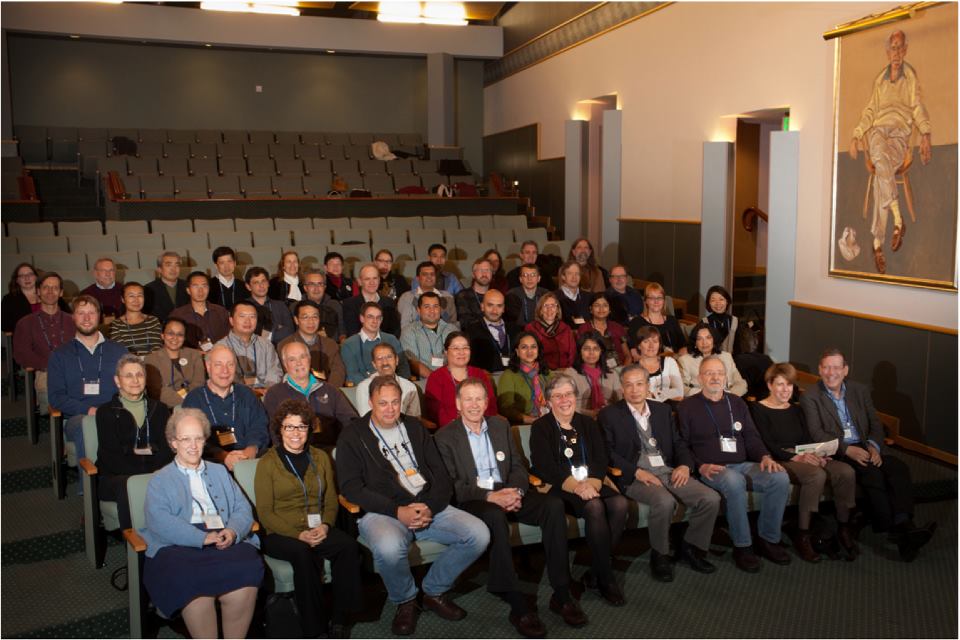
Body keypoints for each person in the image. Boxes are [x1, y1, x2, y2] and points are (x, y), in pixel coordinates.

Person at [336, 376, 490, 635]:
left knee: (478, 534)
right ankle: (405, 600)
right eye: (382, 403)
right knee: (388, 547)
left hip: (427, 504)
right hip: (383, 511)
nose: (389, 409)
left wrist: (429, 506)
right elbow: (351, 487)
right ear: (370, 402)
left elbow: (441, 475)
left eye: (395, 402)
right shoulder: (352, 435)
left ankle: (433, 590)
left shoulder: (415, 427)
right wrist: (398, 511)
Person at [435, 378, 587, 636]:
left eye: (479, 399)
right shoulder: (444, 437)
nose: (474, 405)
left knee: (552, 504)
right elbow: (454, 486)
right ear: (458, 404)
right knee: (494, 516)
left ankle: (561, 592)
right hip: (477, 500)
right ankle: (514, 598)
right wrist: (491, 497)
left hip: (509, 490)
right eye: (468, 399)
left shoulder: (499, 425)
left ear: (486, 402)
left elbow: (517, 465)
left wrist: (516, 491)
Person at [800, 348, 935, 561]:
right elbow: (817, 433)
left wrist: (873, 446)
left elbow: (875, 423)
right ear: (819, 369)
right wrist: (847, 449)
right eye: (826, 367)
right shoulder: (811, 396)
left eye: (836, 367)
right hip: (839, 453)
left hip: (867, 446)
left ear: (845, 370)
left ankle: (903, 526)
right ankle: (899, 531)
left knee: (898, 468)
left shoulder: (859, 390)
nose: (831, 372)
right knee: (872, 474)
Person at [140, 407, 262, 638]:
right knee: (189, 580)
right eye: (185, 439)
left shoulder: (219, 472)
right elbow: (159, 521)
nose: (193, 445)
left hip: (222, 537)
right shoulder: (160, 479)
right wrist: (202, 537)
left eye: (198, 438)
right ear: (173, 442)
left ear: (205, 440)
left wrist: (233, 531)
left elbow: (242, 508)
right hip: (179, 546)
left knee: (247, 564)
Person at [600, 365, 720, 581]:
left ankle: (690, 548)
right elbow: (606, 453)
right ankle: (660, 555)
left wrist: (685, 465)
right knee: (664, 502)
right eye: (628, 385)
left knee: (710, 498)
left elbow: (678, 442)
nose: (634, 390)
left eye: (639, 384)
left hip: (667, 471)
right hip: (635, 476)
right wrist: (636, 472)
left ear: (648, 386)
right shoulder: (610, 414)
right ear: (622, 388)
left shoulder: (662, 410)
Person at [254, 399, 363, 638]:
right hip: (281, 532)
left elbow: (331, 500)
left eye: (301, 427)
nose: (296, 433)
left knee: (347, 547)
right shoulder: (267, 463)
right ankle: (314, 628)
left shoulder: (321, 458)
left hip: (317, 526)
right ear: (279, 429)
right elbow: (265, 512)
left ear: (308, 430)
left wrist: (325, 525)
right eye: (289, 427)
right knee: (303, 554)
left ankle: (340, 618)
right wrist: (298, 534)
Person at [677, 356, 791, 572]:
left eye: (719, 373)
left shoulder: (737, 403)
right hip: (711, 468)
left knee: (779, 477)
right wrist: (700, 466)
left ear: (726, 377)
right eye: (709, 373)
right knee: (734, 481)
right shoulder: (688, 406)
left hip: (742, 464)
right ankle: (743, 545)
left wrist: (765, 457)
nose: (715, 377)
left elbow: (751, 437)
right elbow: (682, 444)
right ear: (700, 377)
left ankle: (768, 539)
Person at [529, 374, 627, 606]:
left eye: (569, 394)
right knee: (594, 506)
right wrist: (578, 487)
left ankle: (596, 570)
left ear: (576, 397)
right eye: (558, 395)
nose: (565, 400)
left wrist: (591, 484)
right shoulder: (541, 427)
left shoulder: (588, 424)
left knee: (620, 504)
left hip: (590, 482)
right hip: (558, 486)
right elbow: (545, 467)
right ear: (549, 401)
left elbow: (600, 459)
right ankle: (605, 578)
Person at [750, 362, 858, 562]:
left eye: (789, 385)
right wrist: (795, 457)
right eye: (780, 384)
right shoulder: (758, 409)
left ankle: (844, 527)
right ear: (770, 385)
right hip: (781, 458)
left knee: (845, 471)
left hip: (804, 454)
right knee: (815, 474)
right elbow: (766, 443)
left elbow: (807, 438)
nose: (785, 390)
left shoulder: (796, 410)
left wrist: (818, 453)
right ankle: (803, 533)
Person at [849, 29, 932, 274]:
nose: (896, 52)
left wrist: (925, 133)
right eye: (892, 48)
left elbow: (917, 107)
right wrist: (856, 134)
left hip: (898, 134)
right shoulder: (880, 80)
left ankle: (877, 242)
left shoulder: (910, 76)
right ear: (888, 52)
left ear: (905, 50)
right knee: (881, 163)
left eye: (900, 47)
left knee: (881, 174)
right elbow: (870, 111)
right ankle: (898, 219)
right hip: (877, 133)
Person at [48, 295, 128, 463]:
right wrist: (90, 411)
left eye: (91, 313)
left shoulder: (119, 351)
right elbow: (56, 398)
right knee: (89, 426)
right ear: (73, 317)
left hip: (114, 411)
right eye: (81, 313)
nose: (86, 318)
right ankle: (89, 486)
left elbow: (129, 388)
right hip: (78, 417)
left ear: (99, 316)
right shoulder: (60, 355)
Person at [95, 354, 173, 529]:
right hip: (117, 477)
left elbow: (166, 450)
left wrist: (154, 475)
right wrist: (144, 478)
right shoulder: (105, 412)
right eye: (128, 375)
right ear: (117, 380)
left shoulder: (159, 409)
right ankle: (136, 548)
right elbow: (111, 457)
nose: (135, 380)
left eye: (140, 375)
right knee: (129, 487)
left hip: (155, 473)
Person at [182, 345, 269, 471]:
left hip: (249, 460)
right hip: (211, 465)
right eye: (218, 364)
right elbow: (193, 439)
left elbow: (259, 425)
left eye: (230, 364)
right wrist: (224, 456)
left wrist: (250, 450)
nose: (225, 370)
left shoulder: (247, 394)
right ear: (208, 367)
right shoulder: (194, 399)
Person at [263, 341, 357, 447]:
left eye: (302, 357)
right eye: (292, 359)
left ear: (309, 359)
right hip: (293, 452)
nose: (299, 363)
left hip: (330, 450)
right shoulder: (274, 394)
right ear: (285, 365)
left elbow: (350, 421)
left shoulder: (330, 390)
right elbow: (273, 431)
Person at [13, 272, 74, 411]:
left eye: (55, 288)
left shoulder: (73, 320)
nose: (50, 292)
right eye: (46, 287)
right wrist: (51, 366)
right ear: (38, 291)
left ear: (61, 292)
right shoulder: (25, 323)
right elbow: (22, 354)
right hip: (46, 373)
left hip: (74, 371)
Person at [424, 332, 497, 427]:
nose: (461, 352)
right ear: (446, 352)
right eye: (455, 348)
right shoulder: (436, 377)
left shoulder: (480, 374)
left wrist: (479, 423)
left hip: (481, 426)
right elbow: (435, 411)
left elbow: (490, 404)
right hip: (451, 429)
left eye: (465, 348)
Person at [277, 300, 346, 388]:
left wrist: (328, 391)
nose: (311, 322)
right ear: (296, 320)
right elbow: (285, 374)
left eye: (315, 317)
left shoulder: (330, 344)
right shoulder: (285, 345)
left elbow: (338, 372)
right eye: (305, 317)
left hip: (326, 392)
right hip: (296, 392)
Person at [216, 301, 283, 388]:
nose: (247, 321)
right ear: (231, 320)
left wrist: (267, 392)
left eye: (252, 317)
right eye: (242, 316)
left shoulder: (266, 345)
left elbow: (275, 373)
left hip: (264, 394)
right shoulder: (220, 347)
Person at [341, 301, 410, 384]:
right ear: (362, 318)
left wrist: (395, 385)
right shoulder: (349, 344)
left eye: (378, 317)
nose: (375, 321)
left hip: (395, 387)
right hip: (366, 389)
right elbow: (353, 375)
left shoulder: (391, 339)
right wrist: (376, 387)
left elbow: (404, 368)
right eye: (370, 317)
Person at [143, 318, 206, 409]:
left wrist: (192, 402)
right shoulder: (151, 359)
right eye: (170, 333)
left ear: (184, 338)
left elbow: (199, 383)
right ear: (162, 335)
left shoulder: (195, 355)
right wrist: (186, 403)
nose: (175, 338)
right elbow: (158, 391)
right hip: (167, 409)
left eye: (180, 334)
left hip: (196, 405)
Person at [562, 331, 622, 418]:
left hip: (608, 418)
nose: (591, 353)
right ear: (580, 351)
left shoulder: (612, 374)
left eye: (596, 349)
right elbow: (565, 404)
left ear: (601, 351)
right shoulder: (570, 374)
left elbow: (620, 401)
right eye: (586, 349)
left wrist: (608, 411)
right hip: (579, 418)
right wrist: (591, 414)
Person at [678, 323, 748, 397]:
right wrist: (706, 395)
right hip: (702, 401)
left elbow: (741, 383)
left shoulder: (726, 357)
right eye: (699, 339)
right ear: (695, 342)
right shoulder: (685, 361)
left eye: (708, 337)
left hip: (728, 400)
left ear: (714, 340)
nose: (704, 343)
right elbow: (681, 387)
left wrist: (728, 396)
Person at [496, 331, 551, 425]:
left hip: (549, 421)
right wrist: (531, 420)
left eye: (533, 347)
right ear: (517, 351)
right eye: (524, 347)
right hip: (524, 425)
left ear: (538, 350)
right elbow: (506, 408)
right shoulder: (509, 375)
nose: (529, 351)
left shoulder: (547, 373)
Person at [354, 342, 422, 417]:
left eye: (389, 357)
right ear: (374, 364)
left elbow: (415, 419)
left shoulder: (410, 387)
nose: (385, 363)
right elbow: (367, 420)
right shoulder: (364, 388)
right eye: (379, 358)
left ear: (396, 360)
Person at [400, 291, 457, 378]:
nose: (432, 311)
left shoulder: (452, 330)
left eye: (436, 306)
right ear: (418, 310)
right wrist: (436, 380)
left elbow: (458, 358)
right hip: (423, 381)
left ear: (440, 309)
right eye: (427, 307)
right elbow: (413, 362)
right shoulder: (409, 331)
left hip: (451, 377)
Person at [168, 271, 230, 352]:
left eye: (204, 286)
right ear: (188, 290)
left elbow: (230, 337)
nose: (200, 290)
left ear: (209, 288)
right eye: (195, 286)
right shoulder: (178, 315)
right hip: (190, 359)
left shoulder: (221, 311)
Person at [3, 262, 68, 333]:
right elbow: (5, 325)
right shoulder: (9, 299)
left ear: (36, 277)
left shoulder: (51, 294)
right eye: (21, 276)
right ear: (17, 280)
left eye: (30, 274)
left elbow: (68, 315)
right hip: (25, 336)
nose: (26, 278)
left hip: (54, 334)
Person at [463, 289, 516, 374]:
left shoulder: (515, 330)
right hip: (484, 379)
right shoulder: (471, 331)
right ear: (482, 306)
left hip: (512, 378)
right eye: (490, 305)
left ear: (503, 308)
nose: (494, 311)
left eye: (499, 306)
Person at [342, 262, 401, 337]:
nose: (372, 282)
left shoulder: (389, 302)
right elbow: (353, 332)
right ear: (360, 281)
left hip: (386, 345)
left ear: (379, 280)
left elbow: (395, 331)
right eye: (367, 279)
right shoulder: (350, 304)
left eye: (375, 278)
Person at [627, 282, 686, 356]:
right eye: (652, 298)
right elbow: (635, 353)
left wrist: (677, 359)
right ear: (646, 301)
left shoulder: (672, 320)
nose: (656, 301)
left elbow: (683, 346)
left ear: (664, 300)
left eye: (659, 298)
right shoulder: (636, 323)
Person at [244, 266, 296, 345]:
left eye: (263, 281)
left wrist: (265, 334)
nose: (261, 285)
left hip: (280, 350)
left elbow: (290, 332)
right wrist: (277, 327)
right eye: (256, 282)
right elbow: (248, 334)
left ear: (268, 283)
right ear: (248, 287)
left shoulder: (280, 305)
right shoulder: (243, 307)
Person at [108, 282, 162, 356]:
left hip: (153, 364)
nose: (136, 300)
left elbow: (157, 348)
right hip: (129, 365)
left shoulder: (153, 321)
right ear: (123, 299)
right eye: (131, 296)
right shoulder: (116, 325)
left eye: (140, 295)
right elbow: (120, 352)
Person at [397, 261, 458, 326]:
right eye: (425, 274)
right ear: (418, 278)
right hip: (416, 334)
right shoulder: (407, 297)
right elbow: (405, 324)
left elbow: (453, 323)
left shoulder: (447, 296)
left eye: (432, 274)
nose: (429, 277)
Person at [525, 293, 575, 370]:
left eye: (553, 306)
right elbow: (528, 355)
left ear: (558, 310)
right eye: (546, 306)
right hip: (541, 372)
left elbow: (572, 354)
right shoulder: (531, 328)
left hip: (565, 371)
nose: (549, 309)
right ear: (540, 310)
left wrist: (567, 370)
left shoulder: (566, 328)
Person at [578, 292, 630, 367]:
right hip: (594, 370)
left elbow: (627, 355)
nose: (601, 309)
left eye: (605, 305)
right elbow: (581, 356)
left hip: (619, 370)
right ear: (591, 309)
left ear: (609, 309)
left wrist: (623, 371)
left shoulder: (617, 327)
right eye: (597, 305)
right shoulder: (584, 329)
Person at [633, 326, 684, 403]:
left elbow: (679, 392)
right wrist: (668, 395)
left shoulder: (669, 362)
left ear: (659, 344)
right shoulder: (633, 370)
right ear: (639, 346)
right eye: (646, 342)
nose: (651, 346)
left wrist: (654, 395)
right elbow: (636, 398)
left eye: (655, 341)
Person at [143, 251, 189, 324]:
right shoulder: (148, 290)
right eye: (168, 265)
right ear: (159, 269)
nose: (173, 269)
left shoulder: (188, 286)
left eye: (177, 265)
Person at [300, 267, 344, 342]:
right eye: (312, 284)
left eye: (320, 284)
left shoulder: (334, 305)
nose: (316, 288)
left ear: (325, 287)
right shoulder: (296, 307)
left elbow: (342, 332)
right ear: (305, 287)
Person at [504, 263, 549, 333]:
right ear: (520, 279)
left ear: (539, 278)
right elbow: (516, 322)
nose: (529, 278)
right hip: (520, 334)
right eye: (525, 275)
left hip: (543, 333)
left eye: (533, 275)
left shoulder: (546, 295)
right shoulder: (512, 296)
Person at [732, 324, 773, 400]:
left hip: (749, 400)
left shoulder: (737, 361)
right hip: (768, 396)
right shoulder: (766, 358)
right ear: (756, 342)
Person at [454, 258, 494, 328]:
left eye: (488, 270)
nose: (484, 274)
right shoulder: (463, 296)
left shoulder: (496, 296)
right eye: (481, 270)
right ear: (473, 274)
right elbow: (465, 323)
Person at [554, 260, 592, 329]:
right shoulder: (554, 297)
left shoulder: (589, 297)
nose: (574, 277)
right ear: (563, 276)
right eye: (570, 273)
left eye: (577, 274)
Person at [702, 285, 738, 354]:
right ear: (709, 303)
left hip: (732, 361)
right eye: (713, 300)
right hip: (711, 361)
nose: (717, 303)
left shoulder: (735, 321)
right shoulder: (704, 322)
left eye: (721, 299)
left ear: (727, 301)